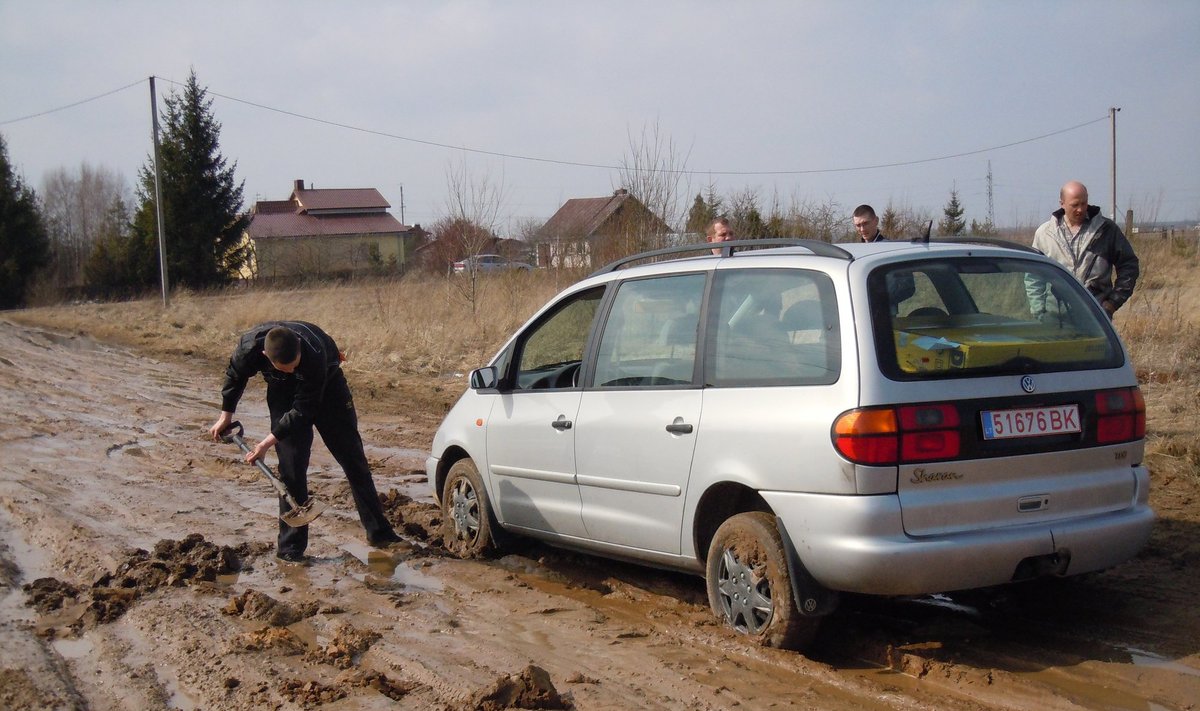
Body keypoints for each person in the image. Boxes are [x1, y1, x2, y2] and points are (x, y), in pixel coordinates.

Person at [208, 321, 401, 563]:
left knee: (354, 460)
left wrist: (266, 443)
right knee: (291, 469)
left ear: (299, 347)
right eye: (284, 368)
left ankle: (380, 533)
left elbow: (305, 408)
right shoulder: (249, 348)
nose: (291, 371)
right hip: (281, 393)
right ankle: (290, 549)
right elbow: (235, 374)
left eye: (294, 366)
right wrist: (226, 414)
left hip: (327, 387)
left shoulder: (314, 352)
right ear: (265, 356)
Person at [1030, 180, 1139, 318]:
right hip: (1054, 319)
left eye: (1084, 203)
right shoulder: (1045, 234)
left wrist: (1112, 303)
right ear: (1062, 203)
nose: (1080, 209)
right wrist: (1039, 312)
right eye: (1075, 205)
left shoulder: (1106, 230)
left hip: (1095, 318)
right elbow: (1033, 276)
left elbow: (1129, 266)